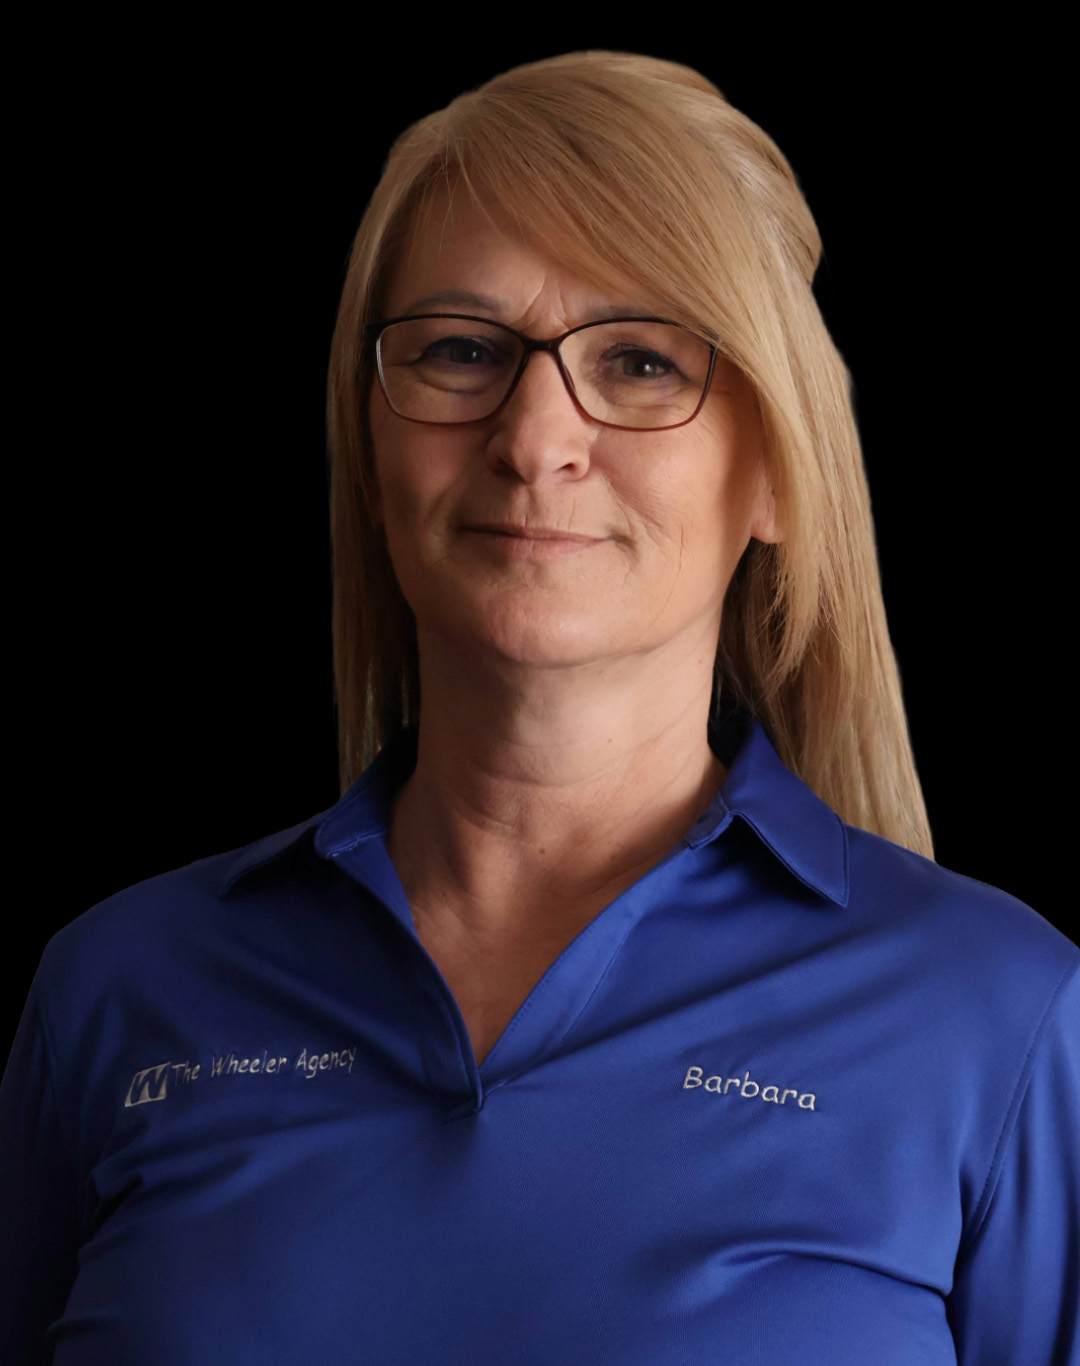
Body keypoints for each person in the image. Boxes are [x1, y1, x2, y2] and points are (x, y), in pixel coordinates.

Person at [2, 50, 1077, 1366]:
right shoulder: (118, 990)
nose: (534, 435)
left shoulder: (998, 1015)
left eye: (637, 361)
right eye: (461, 350)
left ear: (777, 476)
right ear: (371, 453)